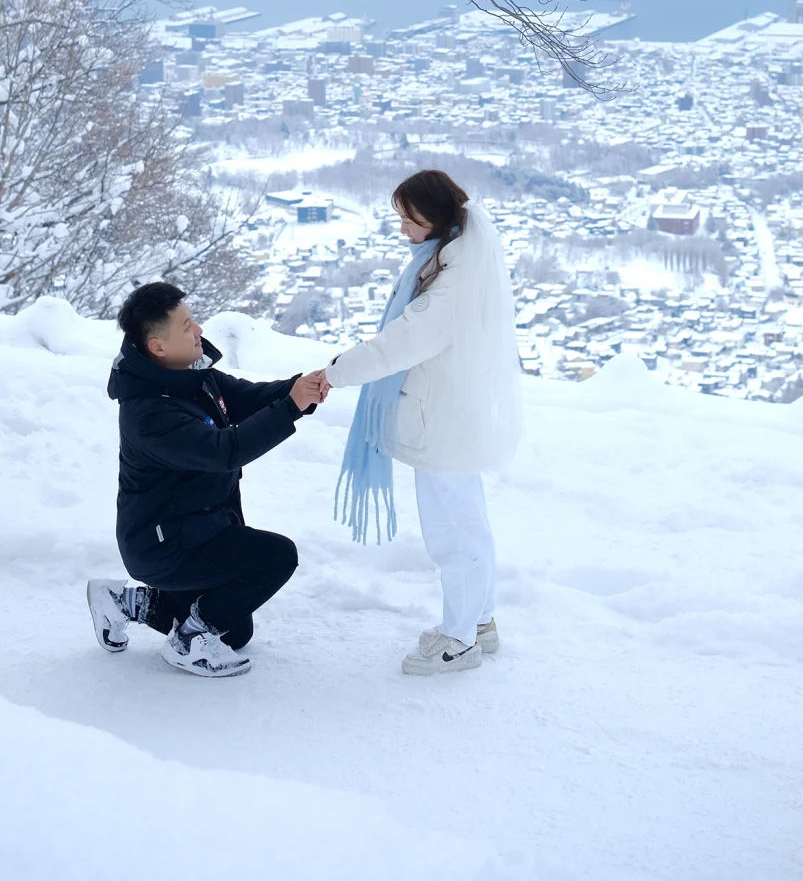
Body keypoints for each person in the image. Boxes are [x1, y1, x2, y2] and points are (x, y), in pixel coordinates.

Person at [320, 170, 521, 677]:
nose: (404, 229)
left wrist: (333, 373)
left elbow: (400, 342)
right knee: (466, 522)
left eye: (411, 219)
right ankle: (480, 622)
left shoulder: (452, 284)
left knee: (453, 533)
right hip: (452, 415)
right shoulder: (457, 254)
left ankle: (458, 640)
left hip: (444, 423)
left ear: (439, 219)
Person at [87, 281, 327, 678]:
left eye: (193, 320)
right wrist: (290, 407)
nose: (199, 330)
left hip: (200, 527)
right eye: (186, 326)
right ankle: (189, 644)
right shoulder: (148, 415)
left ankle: (122, 602)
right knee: (276, 557)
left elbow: (249, 398)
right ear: (157, 347)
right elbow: (223, 451)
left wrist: (300, 390)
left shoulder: (192, 376)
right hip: (164, 544)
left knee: (236, 630)